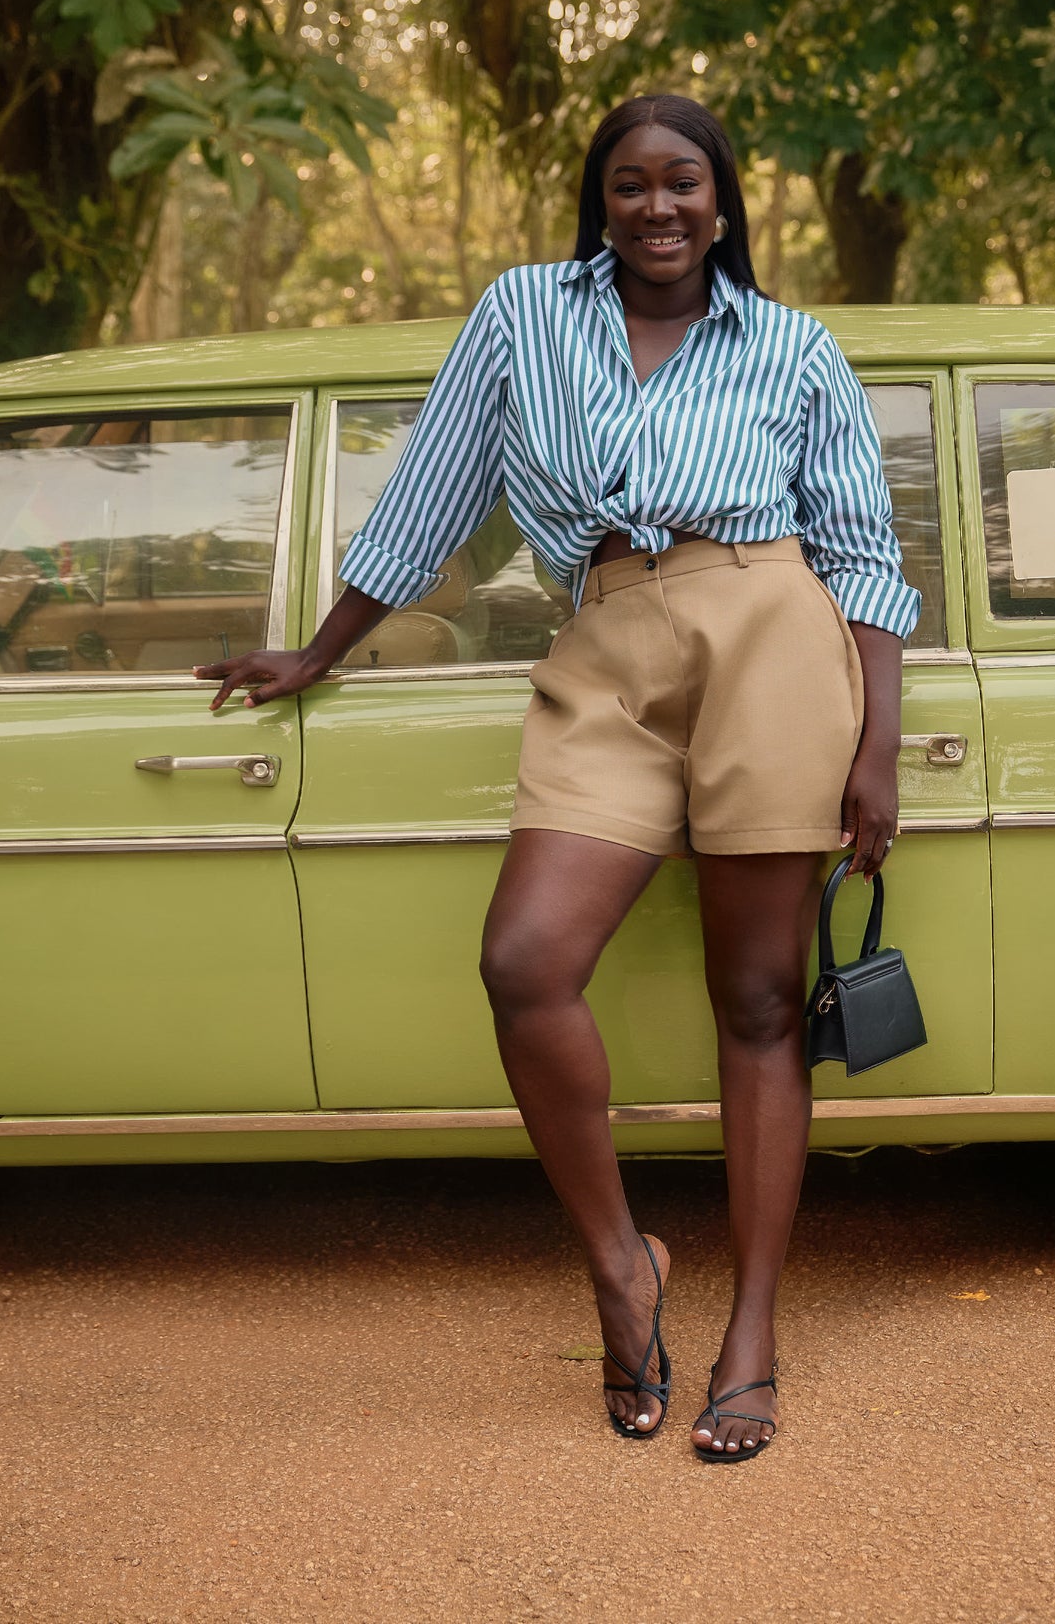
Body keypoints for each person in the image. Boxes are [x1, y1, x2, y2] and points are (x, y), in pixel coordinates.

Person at [196, 94, 920, 1463]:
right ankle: (622, 1265)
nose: (657, 208)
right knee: (524, 960)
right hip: (604, 637)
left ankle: (751, 1334)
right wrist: (320, 649)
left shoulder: (794, 346)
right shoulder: (525, 313)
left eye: (683, 184)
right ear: (600, 200)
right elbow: (433, 490)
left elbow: (864, 557)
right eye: (630, 185)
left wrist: (873, 748)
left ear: (722, 201)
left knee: (759, 1001)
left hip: (771, 624)